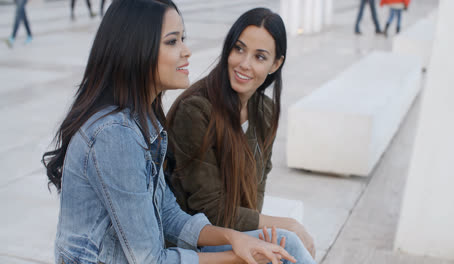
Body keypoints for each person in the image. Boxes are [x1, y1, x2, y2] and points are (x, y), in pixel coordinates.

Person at [42, 0, 298, 263]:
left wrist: (235, 238)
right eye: (172, 41)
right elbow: (152, 260)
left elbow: (169, 215)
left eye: (183, 39)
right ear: (137, 48)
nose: (187, 51)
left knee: (285, 245)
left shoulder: (143, 121)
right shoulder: (114, 135)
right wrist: (237, 255)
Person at [166, 7, 317, 263]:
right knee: (289, 240)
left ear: (275, 64)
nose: (244, 64)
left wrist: (259, 236)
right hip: (196, 242)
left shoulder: (264, 112)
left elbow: (255, 194)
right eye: (239, 49)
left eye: (259, 57)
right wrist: (290, 225)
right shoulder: (195, 110)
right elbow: (210, 211)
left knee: (281, 246)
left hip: (236, 235)